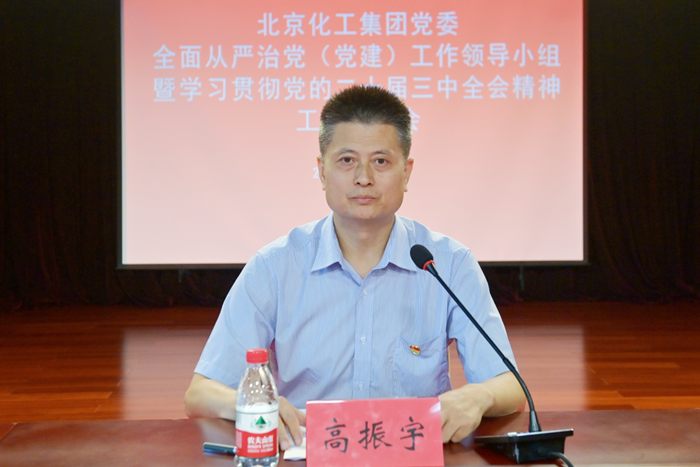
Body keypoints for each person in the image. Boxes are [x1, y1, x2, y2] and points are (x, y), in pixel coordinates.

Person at [184, 85, 525, 450]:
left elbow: (510, 386)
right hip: (308, 453)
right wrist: (251, 403)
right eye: (347, 160)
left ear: (407, 172)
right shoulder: (275, 267)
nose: (364, 177)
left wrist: (477, 396)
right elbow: (202, 392)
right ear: (321, 171)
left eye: (381, 161)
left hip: (413, 453)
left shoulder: (448, 264)